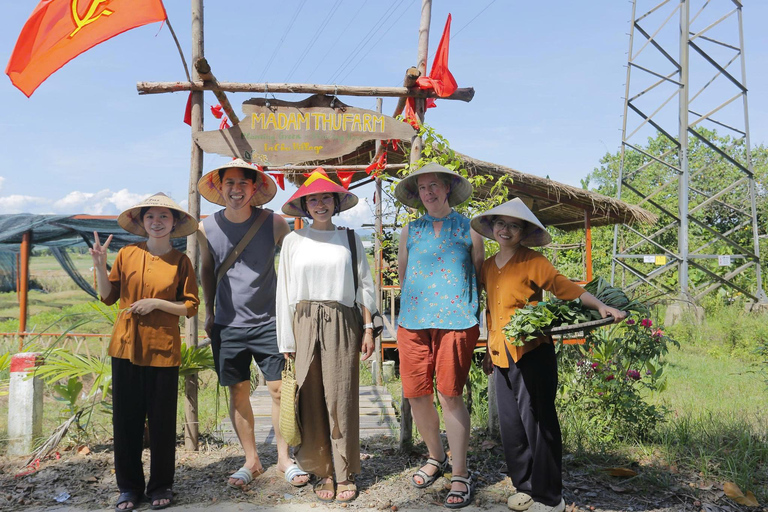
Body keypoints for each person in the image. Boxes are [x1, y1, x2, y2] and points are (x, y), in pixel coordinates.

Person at [472, 198, 626, 512]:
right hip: (501, 355)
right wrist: (487, 349)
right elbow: (491, 311)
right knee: (511, 425)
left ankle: (549, 497)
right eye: (501, 223)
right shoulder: (488, 266)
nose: (506, 230)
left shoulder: (533, 261)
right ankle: (524, 486)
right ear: (492, 227)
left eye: (514, 226)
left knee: (538, 423)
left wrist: (600, 305)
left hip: (532, 352)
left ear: (523, 232)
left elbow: (562, 286)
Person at [197, 159, 308, 489]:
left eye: (243, 184)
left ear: (255, 188)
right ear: (220, 188)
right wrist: (209, 311)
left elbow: (291, 266)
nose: (236, 190)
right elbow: (206, 269)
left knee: (278, 390)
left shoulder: (275, 223)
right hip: (228, 322)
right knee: (238, 391)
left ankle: (284, 458)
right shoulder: (207, 227)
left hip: (270, 320)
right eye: (229, 183)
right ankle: (251, 459)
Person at [90, 193, 200, 511]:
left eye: (164, 216)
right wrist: (100, 266)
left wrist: (157, 303)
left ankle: (161, 485)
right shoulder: (126, 254)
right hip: (125, 347)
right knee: (126, 420)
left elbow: (190, 306)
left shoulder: (181, 262)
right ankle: (129, 487)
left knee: (162, 421)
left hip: (163, 349)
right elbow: (108, 296)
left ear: (175, 223)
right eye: (151, 216)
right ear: (142, 222)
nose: (157, 222)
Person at [276, 169, 378, 503]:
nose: (320, 204)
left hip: (342, 320)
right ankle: (324, 471)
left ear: (335, 202)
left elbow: (364, 285)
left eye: (326, 198)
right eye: (313, 199)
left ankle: (346, 470)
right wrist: (287, 341)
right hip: (303, 320)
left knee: (341, 396)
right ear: (304, 205)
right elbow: (285, 291)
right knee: (310, 397)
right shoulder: (293, 240)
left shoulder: (350, 239)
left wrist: (368, 328)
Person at [394, 163, 484, 509]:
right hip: (413, 323)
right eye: (422, 188)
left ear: (447, 189)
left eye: (434, 186)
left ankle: (460, 472)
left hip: (457, 322)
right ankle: (436, 457)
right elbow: (405, 277)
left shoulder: (470, 228)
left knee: (450, 395)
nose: (428, 193)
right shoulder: (410, 230)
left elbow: (477, 275)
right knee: (417, 395)